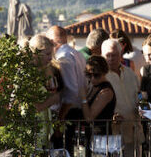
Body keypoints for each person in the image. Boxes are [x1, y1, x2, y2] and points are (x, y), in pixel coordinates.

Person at [47, 25, 87, 154]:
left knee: (64, 151)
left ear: (53, 42)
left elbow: (71, 92)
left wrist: (59, 121)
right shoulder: (76, 53)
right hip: (74, 112)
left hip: (67, 113)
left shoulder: (63, 58)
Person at [102, 38, 142, 157]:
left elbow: (139, 95)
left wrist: (142, 107)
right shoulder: (100, 77)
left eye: (114, 55)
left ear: (120, 55)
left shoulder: (131, 74)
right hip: (113, 133)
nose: (110, 58)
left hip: (133, 130)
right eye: (107, 55)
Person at [29, 35, 63, 149]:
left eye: (51, 54)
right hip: (32, 131)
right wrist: (52, 100)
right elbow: (32, 107)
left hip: (44, 130)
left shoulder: (45, 71)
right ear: (36, 53)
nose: (50, 58)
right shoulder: (27, 74)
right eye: (48, 54)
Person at [83, 56, 118, 156]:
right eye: (88, 75)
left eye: (96, 75)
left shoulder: (105, 91)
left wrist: (83, 98)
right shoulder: (92, 86)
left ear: (104, 72)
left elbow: (90, 117)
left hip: (101, 138)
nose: (92, 78)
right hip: (91, 136)